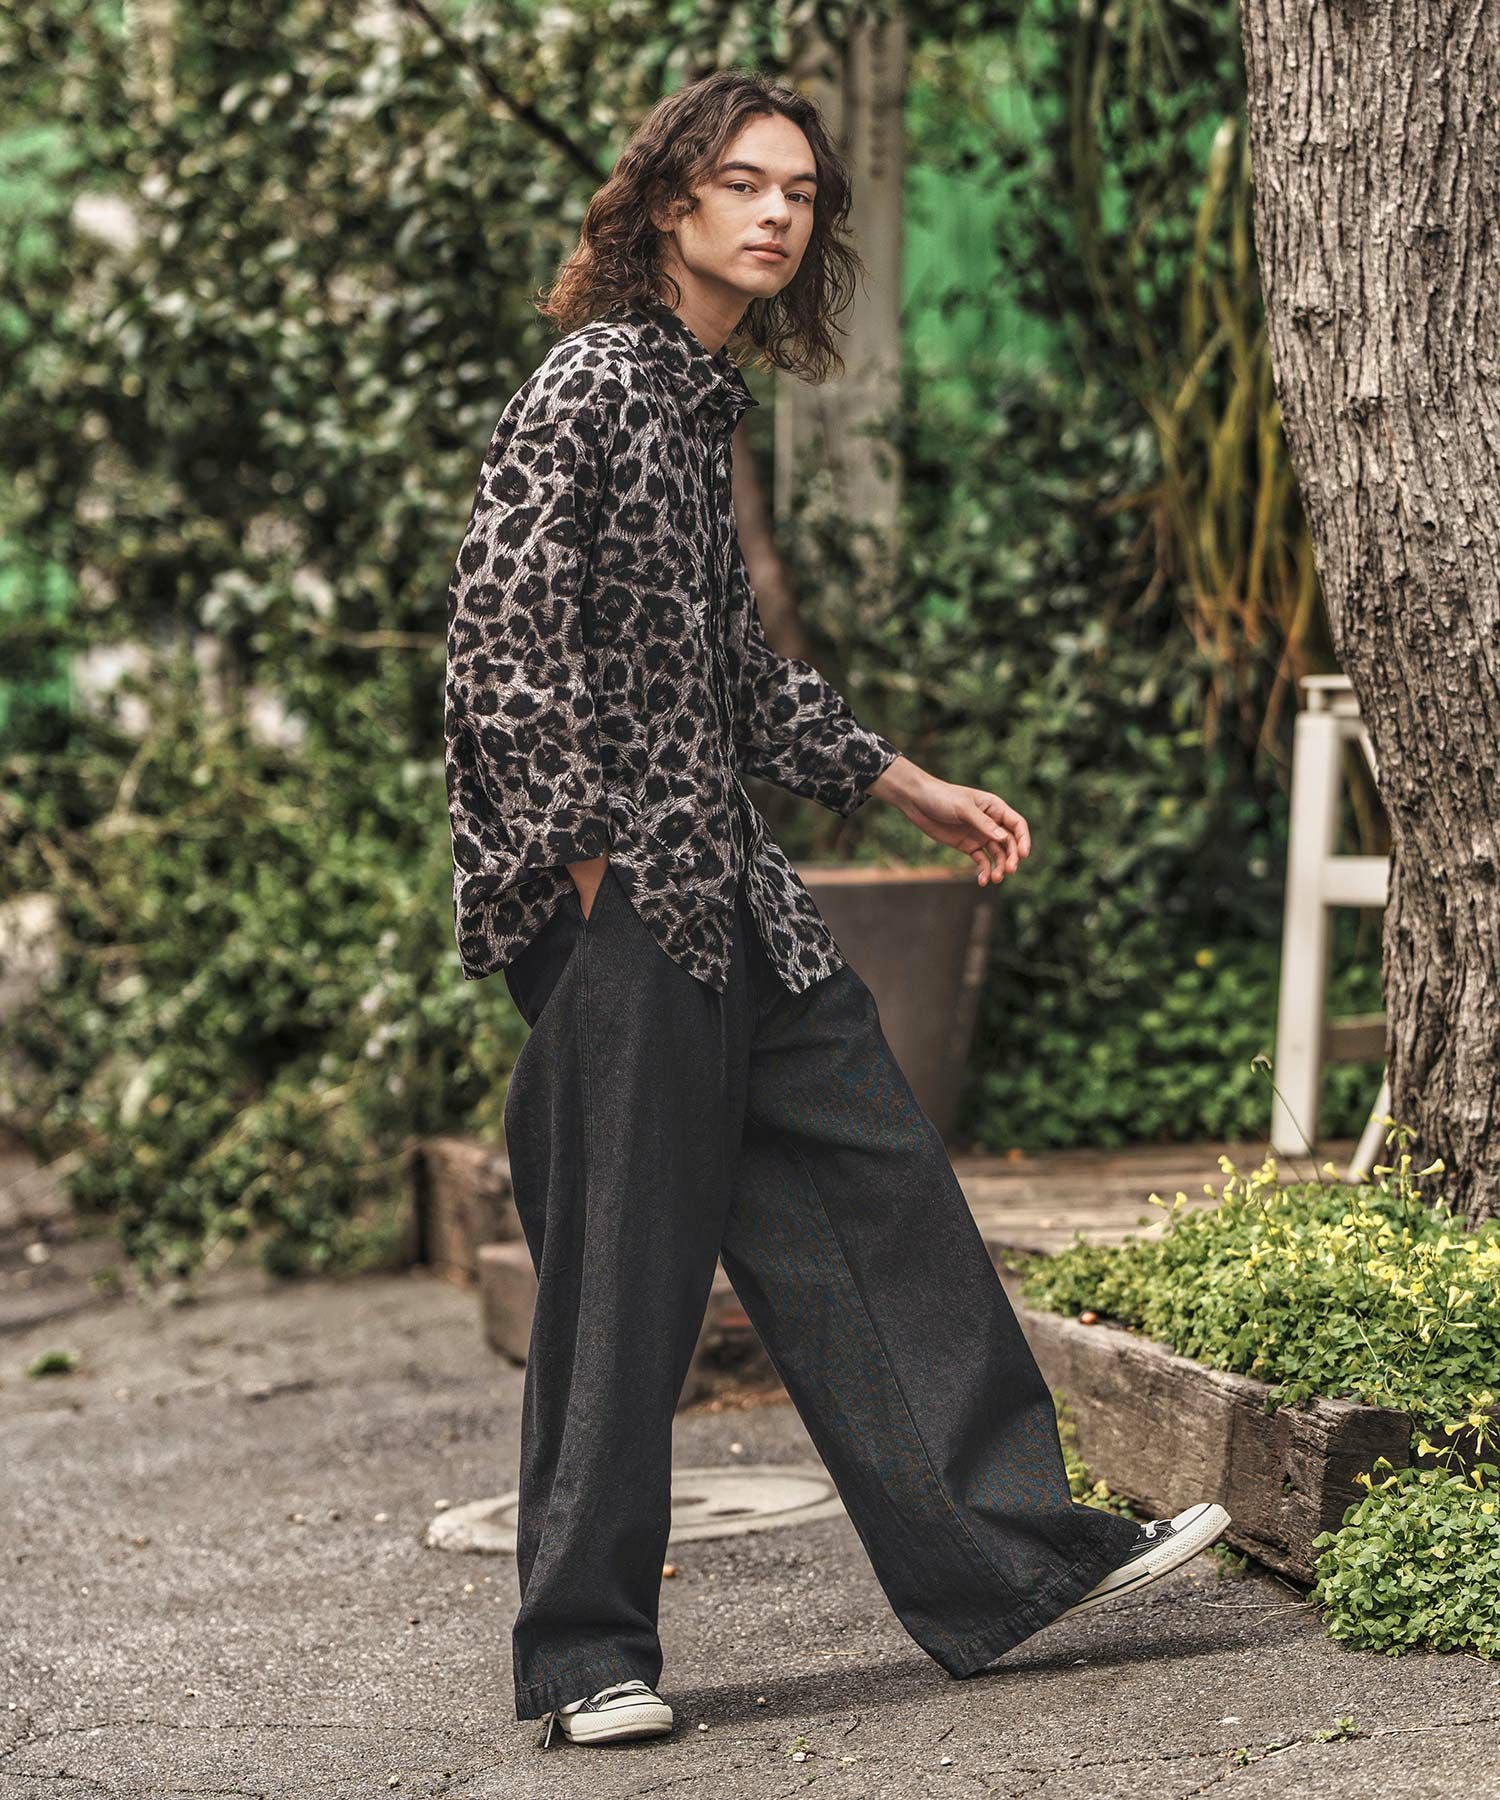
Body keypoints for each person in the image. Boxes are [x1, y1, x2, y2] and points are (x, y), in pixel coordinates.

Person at [442, 67, 1230, 1752]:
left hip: (728, 891)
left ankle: (1011, 1558)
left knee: (875, 1184)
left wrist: (905, 782)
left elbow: (728, 668)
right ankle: (585, 1658)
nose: (779, 212)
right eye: (744, 183)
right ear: (671, 203)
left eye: (799, 190)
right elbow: (500, 639)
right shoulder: (593, 381)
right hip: (627, 906)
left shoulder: (693, 398)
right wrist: (585, 873)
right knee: (622, 1273)